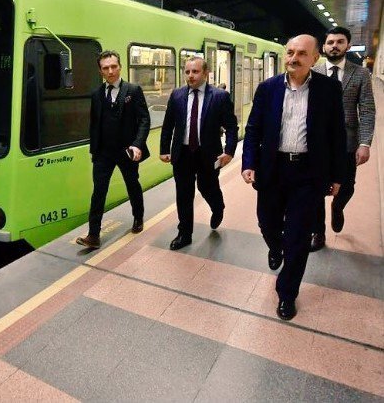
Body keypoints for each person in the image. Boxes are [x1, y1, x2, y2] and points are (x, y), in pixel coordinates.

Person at [242, 34, 346, 321]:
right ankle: (276, 246)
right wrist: (248, 162)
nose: (294, 58)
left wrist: (338, 175)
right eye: (290, 52)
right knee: (267, 222)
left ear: (315, 58)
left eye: (301, 53)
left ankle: (287, 293)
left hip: (308, 174)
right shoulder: (268, 89)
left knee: (299, 238)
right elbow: (253, 130)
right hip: (273, 170)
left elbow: (337, 135)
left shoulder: (329, 89)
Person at [160, 57, 238, 250]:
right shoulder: (177, 95)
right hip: (183, 153)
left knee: (207, 187)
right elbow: (168, 125)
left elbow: (231, 127)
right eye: (187, 72)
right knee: (184, 194)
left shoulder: (219, 96)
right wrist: (164, 150)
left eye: (195, 72)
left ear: (205, 73)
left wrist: (229, 152)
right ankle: (184, 234)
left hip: (208, 153)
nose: (190, 76)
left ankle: (217, 207)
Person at [309, 26, 375, 251]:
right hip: (317, 142)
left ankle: (338, 207)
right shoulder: (313, 71)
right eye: (330, 42)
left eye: (339, 42)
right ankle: (318, 232)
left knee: (346, 186)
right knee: (315, 188)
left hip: (347, 142)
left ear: (347, 45)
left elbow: (366, 110)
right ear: (324, 46)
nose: (334, 46)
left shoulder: (360, 74)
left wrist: (365, 143)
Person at [76, 50, 151, 249]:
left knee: (132, 185)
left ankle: (138, 218)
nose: (110, 71)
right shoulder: (96, 94)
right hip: (103, 153)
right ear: (100, 71)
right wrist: (95, 151)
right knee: (98, 192)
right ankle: (93, 235)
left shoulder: (133, 90)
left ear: (120, 67)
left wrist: (137, 144)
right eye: (106, 68)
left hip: (126, 151)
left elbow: (144, 119)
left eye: (113, 66)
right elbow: (95, 125)